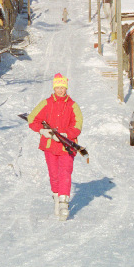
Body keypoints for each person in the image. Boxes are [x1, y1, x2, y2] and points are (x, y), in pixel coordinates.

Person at [26, 73, 83, 220]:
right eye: (57, 87)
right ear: (54, 88)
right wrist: (42, 131)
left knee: (65, 172)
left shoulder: (73, 105)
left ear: (66, 88)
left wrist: (65, 133)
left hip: (67, 146)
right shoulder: (46, 103)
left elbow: (77, 126)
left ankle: (64, 204)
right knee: (54, 175)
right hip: (50, 146)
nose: (60, 90)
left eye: (62, 87)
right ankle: (57, 201)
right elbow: (32, 119)